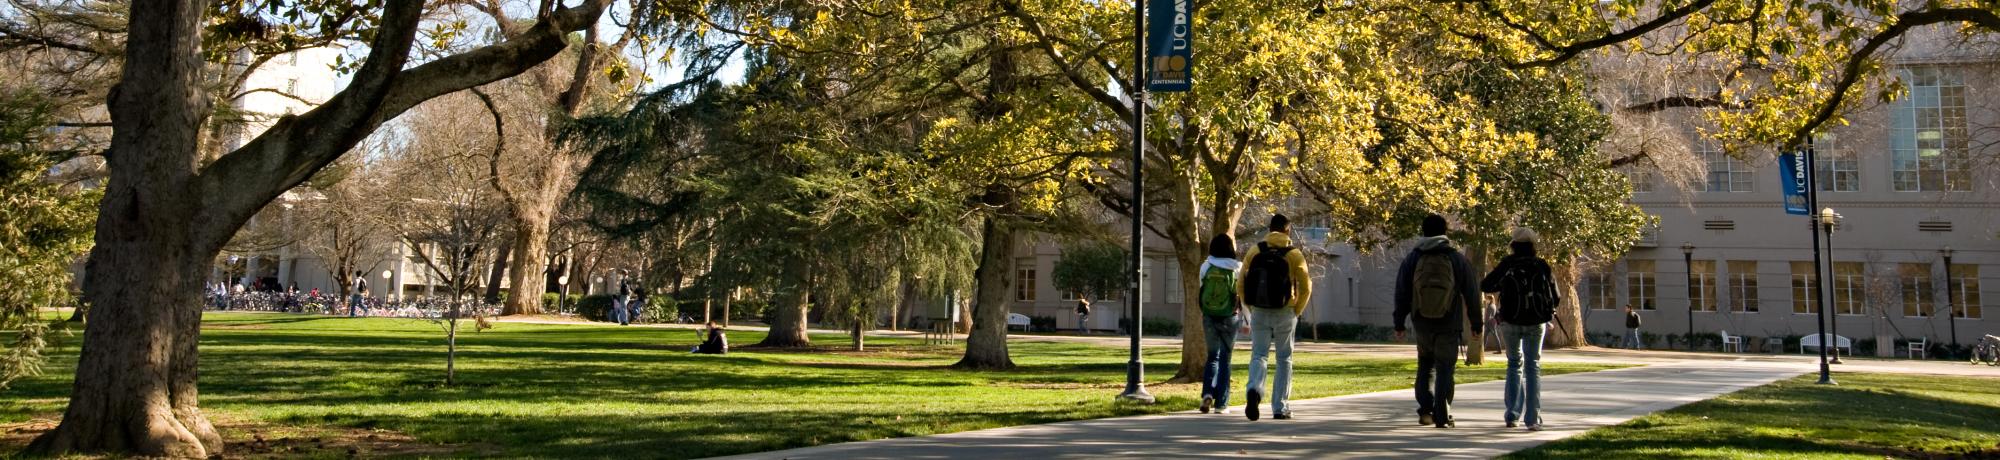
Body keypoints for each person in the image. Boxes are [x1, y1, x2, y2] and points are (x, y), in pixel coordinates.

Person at [1393, 214, 1482, 429]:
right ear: (1445, 232)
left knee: (1425, 365)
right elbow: (1471, 293)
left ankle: (1425, 411)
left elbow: (1402, 292)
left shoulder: (1413, 258)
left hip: (1421, 321)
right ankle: (1442, 415)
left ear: (1423, 231)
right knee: (1445, 368)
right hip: (1448, 322)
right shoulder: (1456, 259)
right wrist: (1476, 324)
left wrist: (1399, 322)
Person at [1481, 227, 1557, 431]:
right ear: (1533, 244)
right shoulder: (1541, 265)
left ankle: (1512, 415)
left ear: (1513, 244)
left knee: (1514, 365)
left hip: (1510, 321)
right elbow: (1555, 295)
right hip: (1536, 322)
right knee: (1533, 366)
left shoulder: (1508, 264)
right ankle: (1532, 418)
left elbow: (1486, 285)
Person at [1237, 214, 1312, 421]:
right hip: (1285, 311)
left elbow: (1241, 283)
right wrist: (1296, 311)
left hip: (1259, 310)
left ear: (1270, 229)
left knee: (1259, 355)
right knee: (1284, 359)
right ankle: (1280, 407)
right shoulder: (1294, 254)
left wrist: (1250, 307)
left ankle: (1254, 389)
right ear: (1287, 230)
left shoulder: (1255, 250)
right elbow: (1306, 287)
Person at [1197, 233, 1244, 415]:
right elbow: (1241, 295)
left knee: (1212, 357)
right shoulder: (1237, 268)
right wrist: (1247, 318)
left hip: (1209, 315)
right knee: (1226, 359)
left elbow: (1202, 288)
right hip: (1230, 317)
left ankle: (1207, 392)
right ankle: (1221, 403)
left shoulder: (1206, 265)